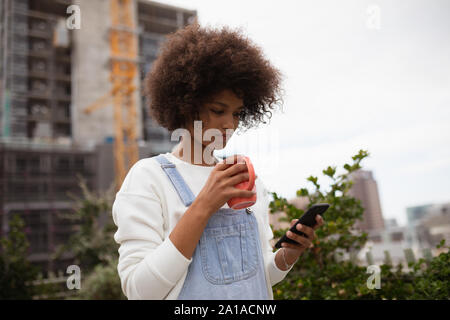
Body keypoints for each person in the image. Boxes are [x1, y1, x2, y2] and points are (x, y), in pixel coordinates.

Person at [111, 22, 324, 300]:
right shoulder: (148, 178)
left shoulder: (248, 180)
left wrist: (288, 254)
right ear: (184, 106)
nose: (229, 125)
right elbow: (140, 292)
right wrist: (205, 204)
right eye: (217, 110)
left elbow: (257, 277)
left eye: (236, 113)